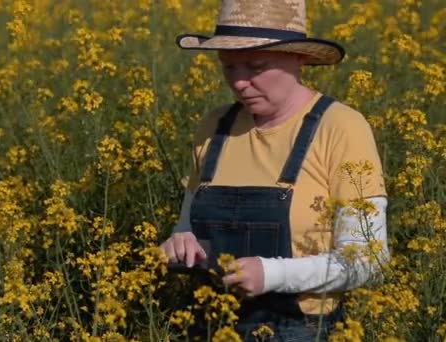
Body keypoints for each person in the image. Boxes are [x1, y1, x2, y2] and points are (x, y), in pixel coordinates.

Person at [159, 0, 390, 340]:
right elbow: (187, 226)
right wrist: (181, 242)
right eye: (229, 67)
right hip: (208, 325)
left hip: (301, 330)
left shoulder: (341, 128)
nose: (239, 83)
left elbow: (370, 261)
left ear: (299, 59)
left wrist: (272, 274)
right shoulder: (214, 127)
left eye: (255, 66)